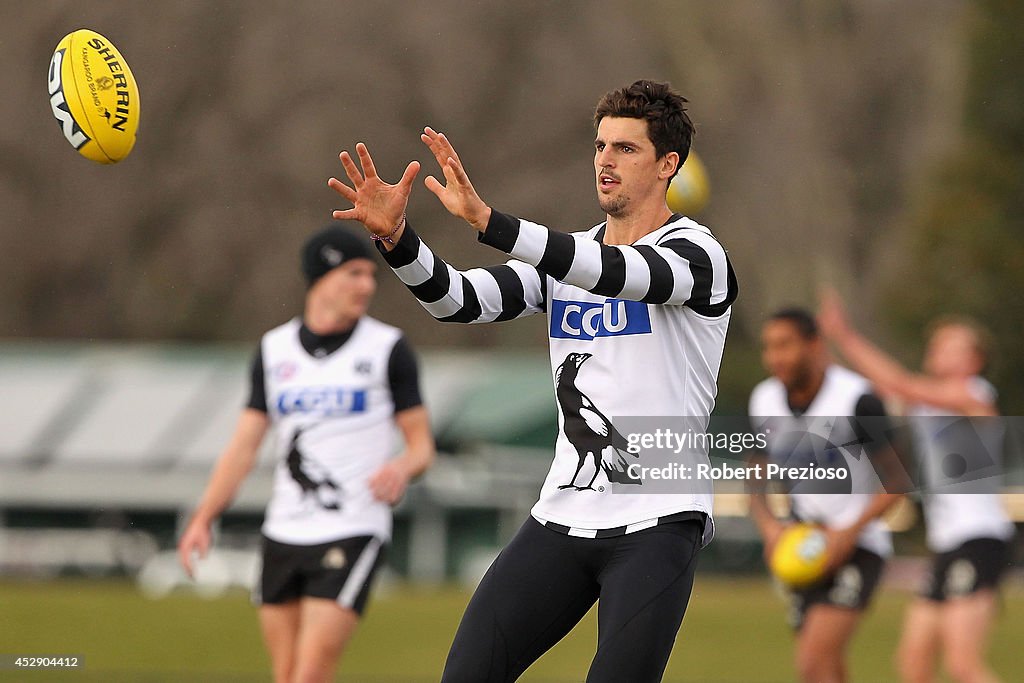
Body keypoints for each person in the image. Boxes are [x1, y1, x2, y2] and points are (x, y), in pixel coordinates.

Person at [328, 79, 738, 682]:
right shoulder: (570, 259)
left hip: (658, 522)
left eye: (626, 148)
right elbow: (457, 300)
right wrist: (398, 241)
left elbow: (620, 272)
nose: (605, 159)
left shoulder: (697, 257)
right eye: (600, 145)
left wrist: (491, 221)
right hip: (563, 514)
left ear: (667, 165)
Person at [177, 225, 435, 683]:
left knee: (310, 674)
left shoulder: (387, 349)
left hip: (353, 528)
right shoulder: (274, 350)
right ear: (321, 276)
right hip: (283, 532)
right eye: (353, 273)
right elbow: (243, 447)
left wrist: (401, 467)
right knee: (286, 675)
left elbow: (421, 446)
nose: (366, 286)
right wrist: (204, 516)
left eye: (370, 275)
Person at [818, 290, 1014, 683]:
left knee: (963, 664)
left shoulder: (974, 394)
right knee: (913, 662)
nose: (938, 347)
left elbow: (899, 383)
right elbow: (871, 385)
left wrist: (846, 335)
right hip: (947, 544)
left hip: (978, 540)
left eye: (950, 345)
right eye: (937, 342)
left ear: (974, 361)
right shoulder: (929, 401)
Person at [747, 308, 903, 683]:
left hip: (858, 545)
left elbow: (898, 481)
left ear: (814, 345)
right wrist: (769, 526)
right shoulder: (763, 400)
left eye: (785, 345)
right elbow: (755, 473)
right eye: (769, 347)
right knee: (827, 669)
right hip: (802, 548)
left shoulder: (857, 399)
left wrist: (847, 534)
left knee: (812, 663)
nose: (775, 357)